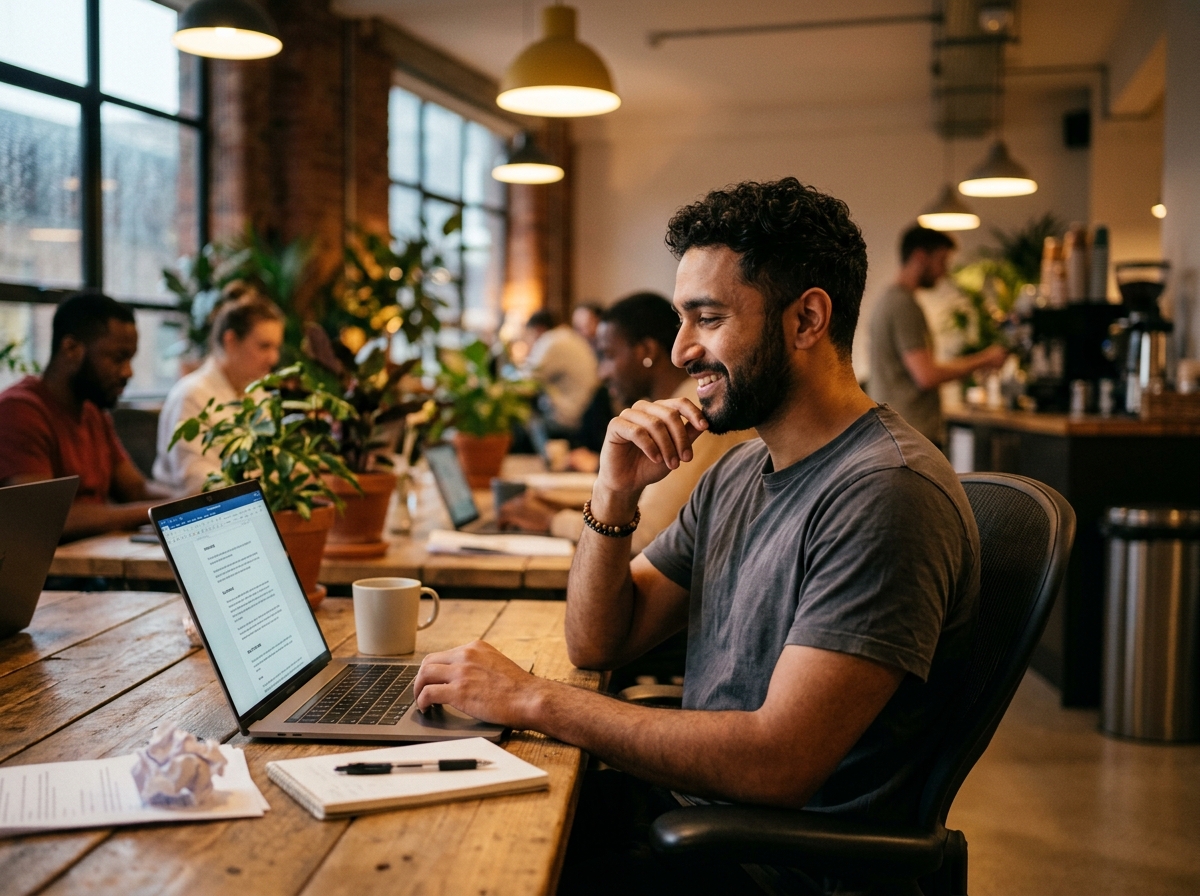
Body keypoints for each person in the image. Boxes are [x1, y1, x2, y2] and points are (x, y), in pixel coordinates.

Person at [413, 179, 981, 891]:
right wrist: (612, 491)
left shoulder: (886, 492)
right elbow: (600, 642)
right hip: (691, 817)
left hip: (769, 867)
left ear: (806, 320)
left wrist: (534, 698)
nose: (681, 352)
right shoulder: (742, 469)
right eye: (682, 319)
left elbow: (777, 761)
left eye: (707, 318)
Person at [501, 292, 751, 555]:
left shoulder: (696, 413)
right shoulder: (673, 407)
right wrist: (559, 505)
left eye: (608, 355)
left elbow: (647, 537)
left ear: (647, 351)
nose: (602, 372)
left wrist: (551, 521)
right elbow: (643, 507)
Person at [0, 293, 175, 539]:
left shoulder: (93, 411)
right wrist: (155, 512)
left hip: (95, 566)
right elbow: (44, 519)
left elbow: (136, 489)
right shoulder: (19, 411)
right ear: (71, 348)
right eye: (117, 358)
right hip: (55, 576)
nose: (128, 371)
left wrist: (192, 504)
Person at [868, 225, 1007, 445]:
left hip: (898, 434)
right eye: (942, 261)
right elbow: (926, 375)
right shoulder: (903, 304)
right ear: (920, 257)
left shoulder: (890, 300)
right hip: (911, 436)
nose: (944, 271)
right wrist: (986, 359)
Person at [153, 294, 285, 494]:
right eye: (264, 346)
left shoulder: (259, 395)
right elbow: (197, 481)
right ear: (231, 341)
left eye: (276, 347)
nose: (274, 358)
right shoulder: (191, 394)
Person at [522, 310, 599, 439]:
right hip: (587, 414)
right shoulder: (570, 337)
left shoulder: (551, 341)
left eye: (530, 336)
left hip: (568, 417)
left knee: (519, 418)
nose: (531, 341)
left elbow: (527, 382)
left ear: (538, 329)